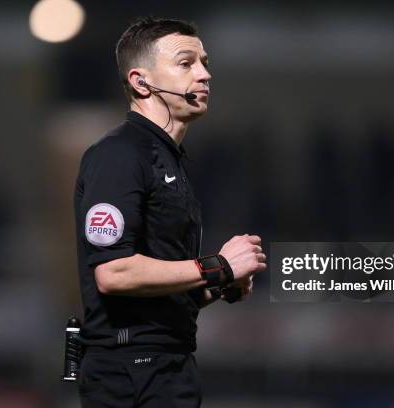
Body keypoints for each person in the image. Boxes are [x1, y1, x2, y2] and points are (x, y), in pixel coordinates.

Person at [73, 17, 267, 407]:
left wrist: (219, 285)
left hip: (164, 366)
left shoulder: (168, 161)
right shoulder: (119, 155)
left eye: (205, 62)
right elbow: (114, 273)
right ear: (141, 81)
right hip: (130, 372)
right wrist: (217, 266)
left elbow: (158, 296)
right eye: (186, 63)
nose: (205, 74)